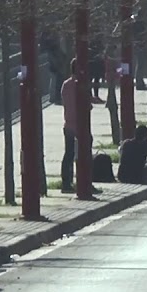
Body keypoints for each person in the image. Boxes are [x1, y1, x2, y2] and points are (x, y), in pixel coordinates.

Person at [60, 58, 97, 194]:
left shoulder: (66, 84)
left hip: (68, 123)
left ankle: (66, 182)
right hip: (80, 125)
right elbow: (87, 105)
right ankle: (86, 181)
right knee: (85, 152)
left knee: (68, 154)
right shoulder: (81, 84)